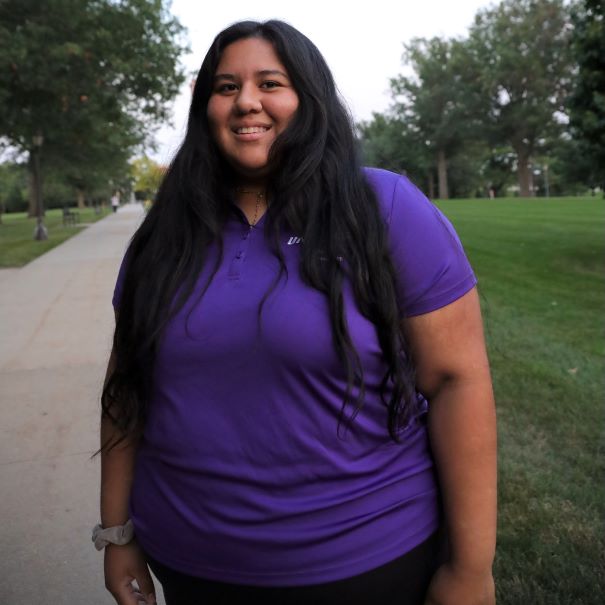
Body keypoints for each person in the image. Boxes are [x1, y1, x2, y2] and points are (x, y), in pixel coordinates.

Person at [97, 20, 497, 605]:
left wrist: (469, 569)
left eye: (271, 83)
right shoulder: (162, 236)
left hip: (366, 566)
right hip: (189, 566)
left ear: (308, 101)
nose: (247, 102)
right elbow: (124, 389)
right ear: (206, 107)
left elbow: (458, 380)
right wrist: (117, 533)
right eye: (226, 86)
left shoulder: (381, 207)